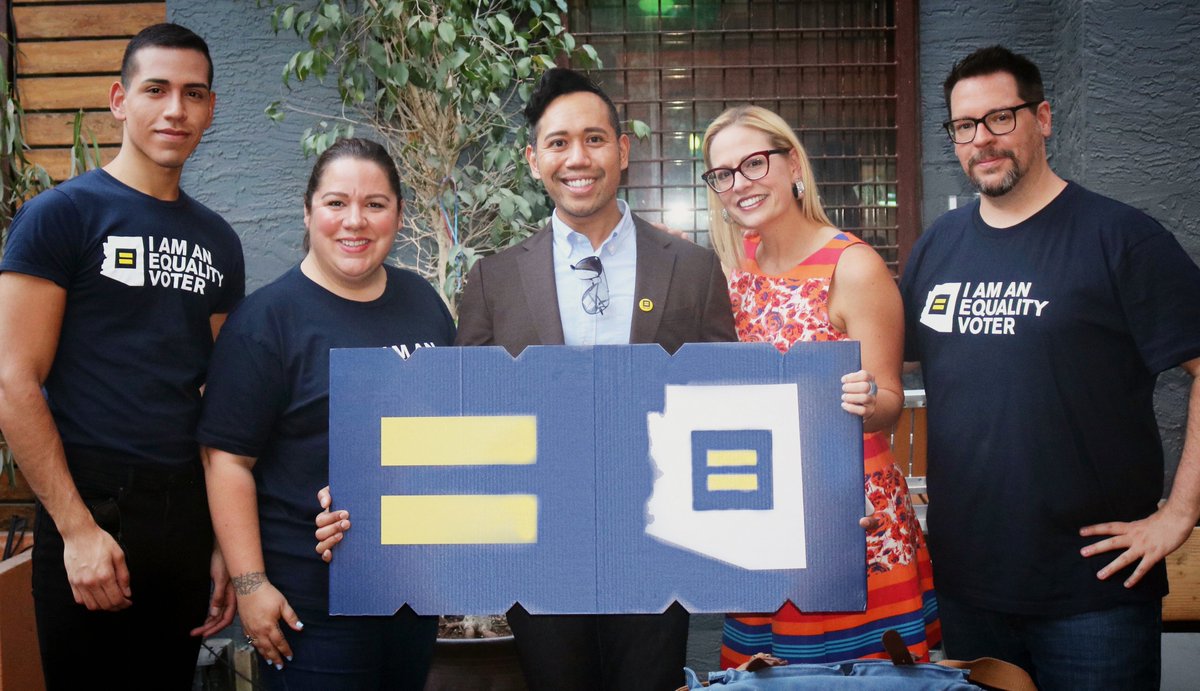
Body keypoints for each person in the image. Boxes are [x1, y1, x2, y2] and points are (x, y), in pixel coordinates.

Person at [315, 67, 738, 691]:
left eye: (595, 139)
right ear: (534, 158)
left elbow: (727, 400)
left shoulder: (695, 270)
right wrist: (367, 497)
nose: (578, 158)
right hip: (537, 552)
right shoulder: (494, 280)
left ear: (623, 150)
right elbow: (461, 419)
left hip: (658, 545)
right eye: (559, 142)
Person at [900, 45, 1200, 689]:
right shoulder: (937, 248)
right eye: (964, 126)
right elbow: (884, 379)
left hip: (1094, 596)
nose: (982, 140)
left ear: (1043, 118)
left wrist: (1180, 514)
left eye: (1000, 118)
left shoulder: (1121, 238)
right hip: (968, 589)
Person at [0, 23, 243, 690]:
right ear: (118, 99)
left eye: (194, 94)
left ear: (211, 109)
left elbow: (219, 401)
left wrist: (222, 541)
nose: (175, 110)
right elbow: (12, 379)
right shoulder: (60, 216)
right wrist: (77, 531)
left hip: (183, 518)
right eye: (156, 89)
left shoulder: (218, 241)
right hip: (91, 507)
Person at [197, 138, 455, 690]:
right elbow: (226, 462)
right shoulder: (266, 321)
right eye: (336, 202)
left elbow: (446, 431)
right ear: (308, 210)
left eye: (375, 204)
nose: (354, 221)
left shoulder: (424, 303)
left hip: (412, 586)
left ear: (398, 214)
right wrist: (250, 584)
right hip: (311, 602)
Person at [700, 105, 939, 667]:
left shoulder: (852, 265)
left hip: (850, 517)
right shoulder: (734, 266)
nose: (741, 184)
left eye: (754, 163)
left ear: (792, 165)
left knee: (861, 676)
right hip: (763, 512)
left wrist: (865, 398)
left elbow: (888, 402)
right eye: (724, 174)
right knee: (767, 675)